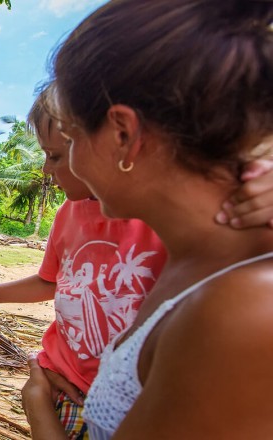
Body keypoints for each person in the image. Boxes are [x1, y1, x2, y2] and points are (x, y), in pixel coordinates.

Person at [0, 83, 273, 439]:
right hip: (66, 383)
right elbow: (52, 282)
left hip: (132, 396)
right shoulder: (69, 215)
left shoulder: (168, 224)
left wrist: (38, 409)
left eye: (56, 155)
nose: (44, 170)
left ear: (123, 139)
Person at [20, 1, 273, 439]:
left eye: (74, 138)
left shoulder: (239, 312)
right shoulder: (195, 264)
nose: (65, 166)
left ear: (123, 135)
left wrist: (39, 412)